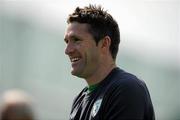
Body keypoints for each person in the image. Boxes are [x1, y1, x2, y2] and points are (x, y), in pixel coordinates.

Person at [64, 4, 155, 120]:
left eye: (76, 40)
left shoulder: (127, 88)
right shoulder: (79, 100)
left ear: (104, 44)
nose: (67, 50)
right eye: (67, 42)